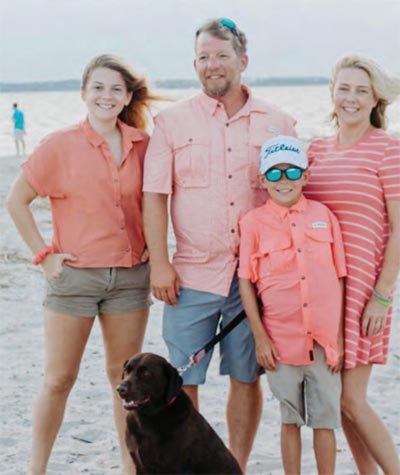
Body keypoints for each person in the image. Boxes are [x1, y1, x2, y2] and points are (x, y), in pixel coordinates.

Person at [142, 17, 296, 471]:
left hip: (257, 278)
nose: (212, 65)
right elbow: (155, 195)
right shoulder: (170, 122)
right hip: (191, 274)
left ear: (242, 61)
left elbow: (292, 195)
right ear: (195, 65)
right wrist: (160, 263)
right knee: (182, 383)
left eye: (222, 55)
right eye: (204, 57)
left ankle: (236, 465)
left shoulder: (279, 121)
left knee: (246, 377)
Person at [6, 54, 159, 475]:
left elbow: (157, 204)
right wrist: (43, 255)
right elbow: (16, 201)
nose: (106, 96)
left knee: (124, 384)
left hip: (129, 279)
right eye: (98, 87)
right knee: (59, 379)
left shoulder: (143, 144)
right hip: (74, 279)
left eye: (115, 89)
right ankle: (36, 469)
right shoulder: (60, 144)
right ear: (84, 93)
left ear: (127, 95)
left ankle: (131, 468)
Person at [304, 53, 400, 475]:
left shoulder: (389, 150)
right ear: (331, 92)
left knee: (351, 398)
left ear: (376, 97)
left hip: (365, 291)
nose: (351, 98)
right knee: (334, 397)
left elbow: (399, 230)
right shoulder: (315, 151)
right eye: (344, 88)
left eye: (361, 90)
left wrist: (381, 296)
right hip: (322, 293)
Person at [238, 135, 346, 475]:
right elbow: (246, 282)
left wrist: (338, 338)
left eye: (291, 171)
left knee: (325, 420)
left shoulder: (324, 215)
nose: (283, 180)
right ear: (261, 181)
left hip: (324, 342)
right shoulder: (252, 223)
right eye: (273, 174)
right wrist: (260, 338)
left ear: (306, 175)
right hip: (281, 342)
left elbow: (340, 278)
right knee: (290, 419)